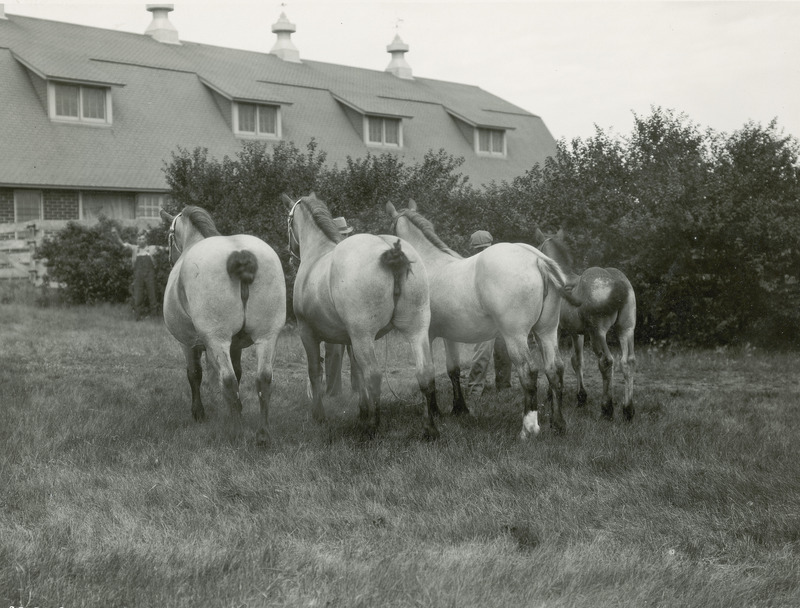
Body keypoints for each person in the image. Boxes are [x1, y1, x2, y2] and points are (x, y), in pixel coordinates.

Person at [307, 216, 358, 398]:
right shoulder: (326, 257)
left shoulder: (354, 254)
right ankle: (334, 394)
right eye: (341, 235)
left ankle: (358, 391)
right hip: (332, 313)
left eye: (345, 235)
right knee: (334, 353)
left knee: (358, 354)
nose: (343, 238)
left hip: (354, 312)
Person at [466, 230, 513, 400]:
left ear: (491, 246)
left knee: (504, 352)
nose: (482, 252)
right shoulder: (469, 266)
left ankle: (504, 387)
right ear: (473, 250)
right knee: (482, 353)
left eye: (485, 248)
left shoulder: (501, 265)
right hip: (482, 318)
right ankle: (474, 390)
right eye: (479, 249)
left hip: (501, 317)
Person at [111, 227, 164, 320]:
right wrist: (116, 235)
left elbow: (165, 248)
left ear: (146, 240)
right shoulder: (135, 249)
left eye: (143, 239)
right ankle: (138, 317)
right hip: (138, 275)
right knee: (138, 295)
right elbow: (122, 244)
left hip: (150, 274)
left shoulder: (152, 248)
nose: (141, 241)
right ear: (137, 241)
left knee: (152, 295)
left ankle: (154, 317)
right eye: (139, 239)